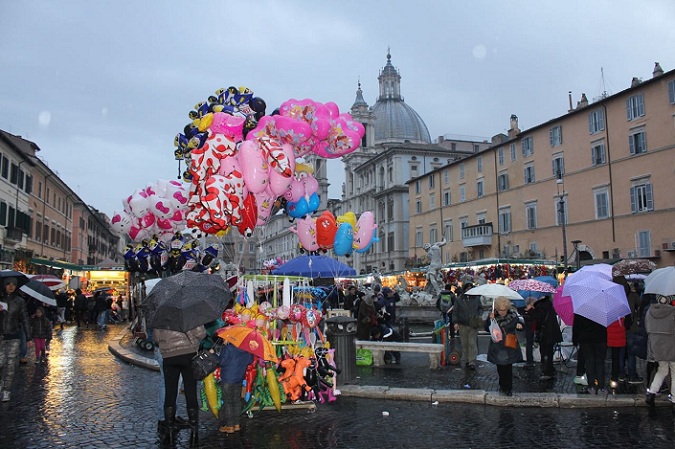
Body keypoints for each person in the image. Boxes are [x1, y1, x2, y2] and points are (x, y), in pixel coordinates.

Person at [153, 324, 206, 445]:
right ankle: (194, 428)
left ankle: (170, 429)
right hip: (188, 354)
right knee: (190, 391)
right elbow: (201, 333)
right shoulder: (190, 312)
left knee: (170, 392)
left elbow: (156, 338)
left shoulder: (162, 316)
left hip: (169, 357)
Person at [0, 276, 32, 402]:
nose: (11, 286)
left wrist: (28, 337)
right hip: (1, 335)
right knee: (1, 362)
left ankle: (6, 390)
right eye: (8, 284)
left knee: (10, 364)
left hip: (14, 335)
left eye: (13, 284)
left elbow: (24, 318)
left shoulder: (19, 301)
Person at [485, 296, 524, 396]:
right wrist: (490, 320)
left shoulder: (513, 315)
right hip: (497, 345)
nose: (502, 312)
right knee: (500, 367)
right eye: (500, 310)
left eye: (504, 310)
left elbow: (520, 323)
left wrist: (519, 325)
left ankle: (508, 388)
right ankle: (502, 385)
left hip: (509, 344)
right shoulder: (493, 315)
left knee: (508, 367)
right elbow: (486, 328)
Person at [644, 295, 675, 408]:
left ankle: (651, 393)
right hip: (672, 346)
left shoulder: (650, 311)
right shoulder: (673, 312)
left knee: (662, 370)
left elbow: (647, 328)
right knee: (674, 372)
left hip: (657, 346)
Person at [218, 343, 254, 434]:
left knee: (228, 401)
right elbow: (250, 361)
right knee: (237, 401)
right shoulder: (246, 348)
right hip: (239, 378)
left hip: (227, 378)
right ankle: (236, 424)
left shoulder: (229, 348)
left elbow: (222, 362)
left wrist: (214, 354)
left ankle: (229, 425)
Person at [573, 312, 608, 394]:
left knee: (589, 362)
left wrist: (575, 340)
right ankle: (601, 387)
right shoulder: (602, 310)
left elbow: (576, 325)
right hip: (601, 338)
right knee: (600, 363)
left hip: (586, 339)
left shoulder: (581, 310)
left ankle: (591, 386)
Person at [531, 294, 563, 381]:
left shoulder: (540, 306)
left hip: (545, 333)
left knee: (545, 353)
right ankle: (550, 369)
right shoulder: (549, 304)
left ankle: (547, 371)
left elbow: (538, 321)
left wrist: (532, 311)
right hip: (552, 332)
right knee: (549, 352)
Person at [452, 282, 482, 370]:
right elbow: (455, 311)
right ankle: (467, 359)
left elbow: (480, 308)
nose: (468, 290)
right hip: (462, 324)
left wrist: (478, 315)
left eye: (470, 288)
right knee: (465, 343)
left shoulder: (476, 298)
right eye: (467, 288)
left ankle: (472, 361)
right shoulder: (459, 299)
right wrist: (455, 322)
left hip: (473, 323)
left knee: (472, 342)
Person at [521, 296, 537, 369]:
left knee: (529, 344)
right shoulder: (530, 311)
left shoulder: (525, 310)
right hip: (531, 329)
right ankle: (530, 361)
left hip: (529, 330)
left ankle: (529, 361)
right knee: (529, 344)